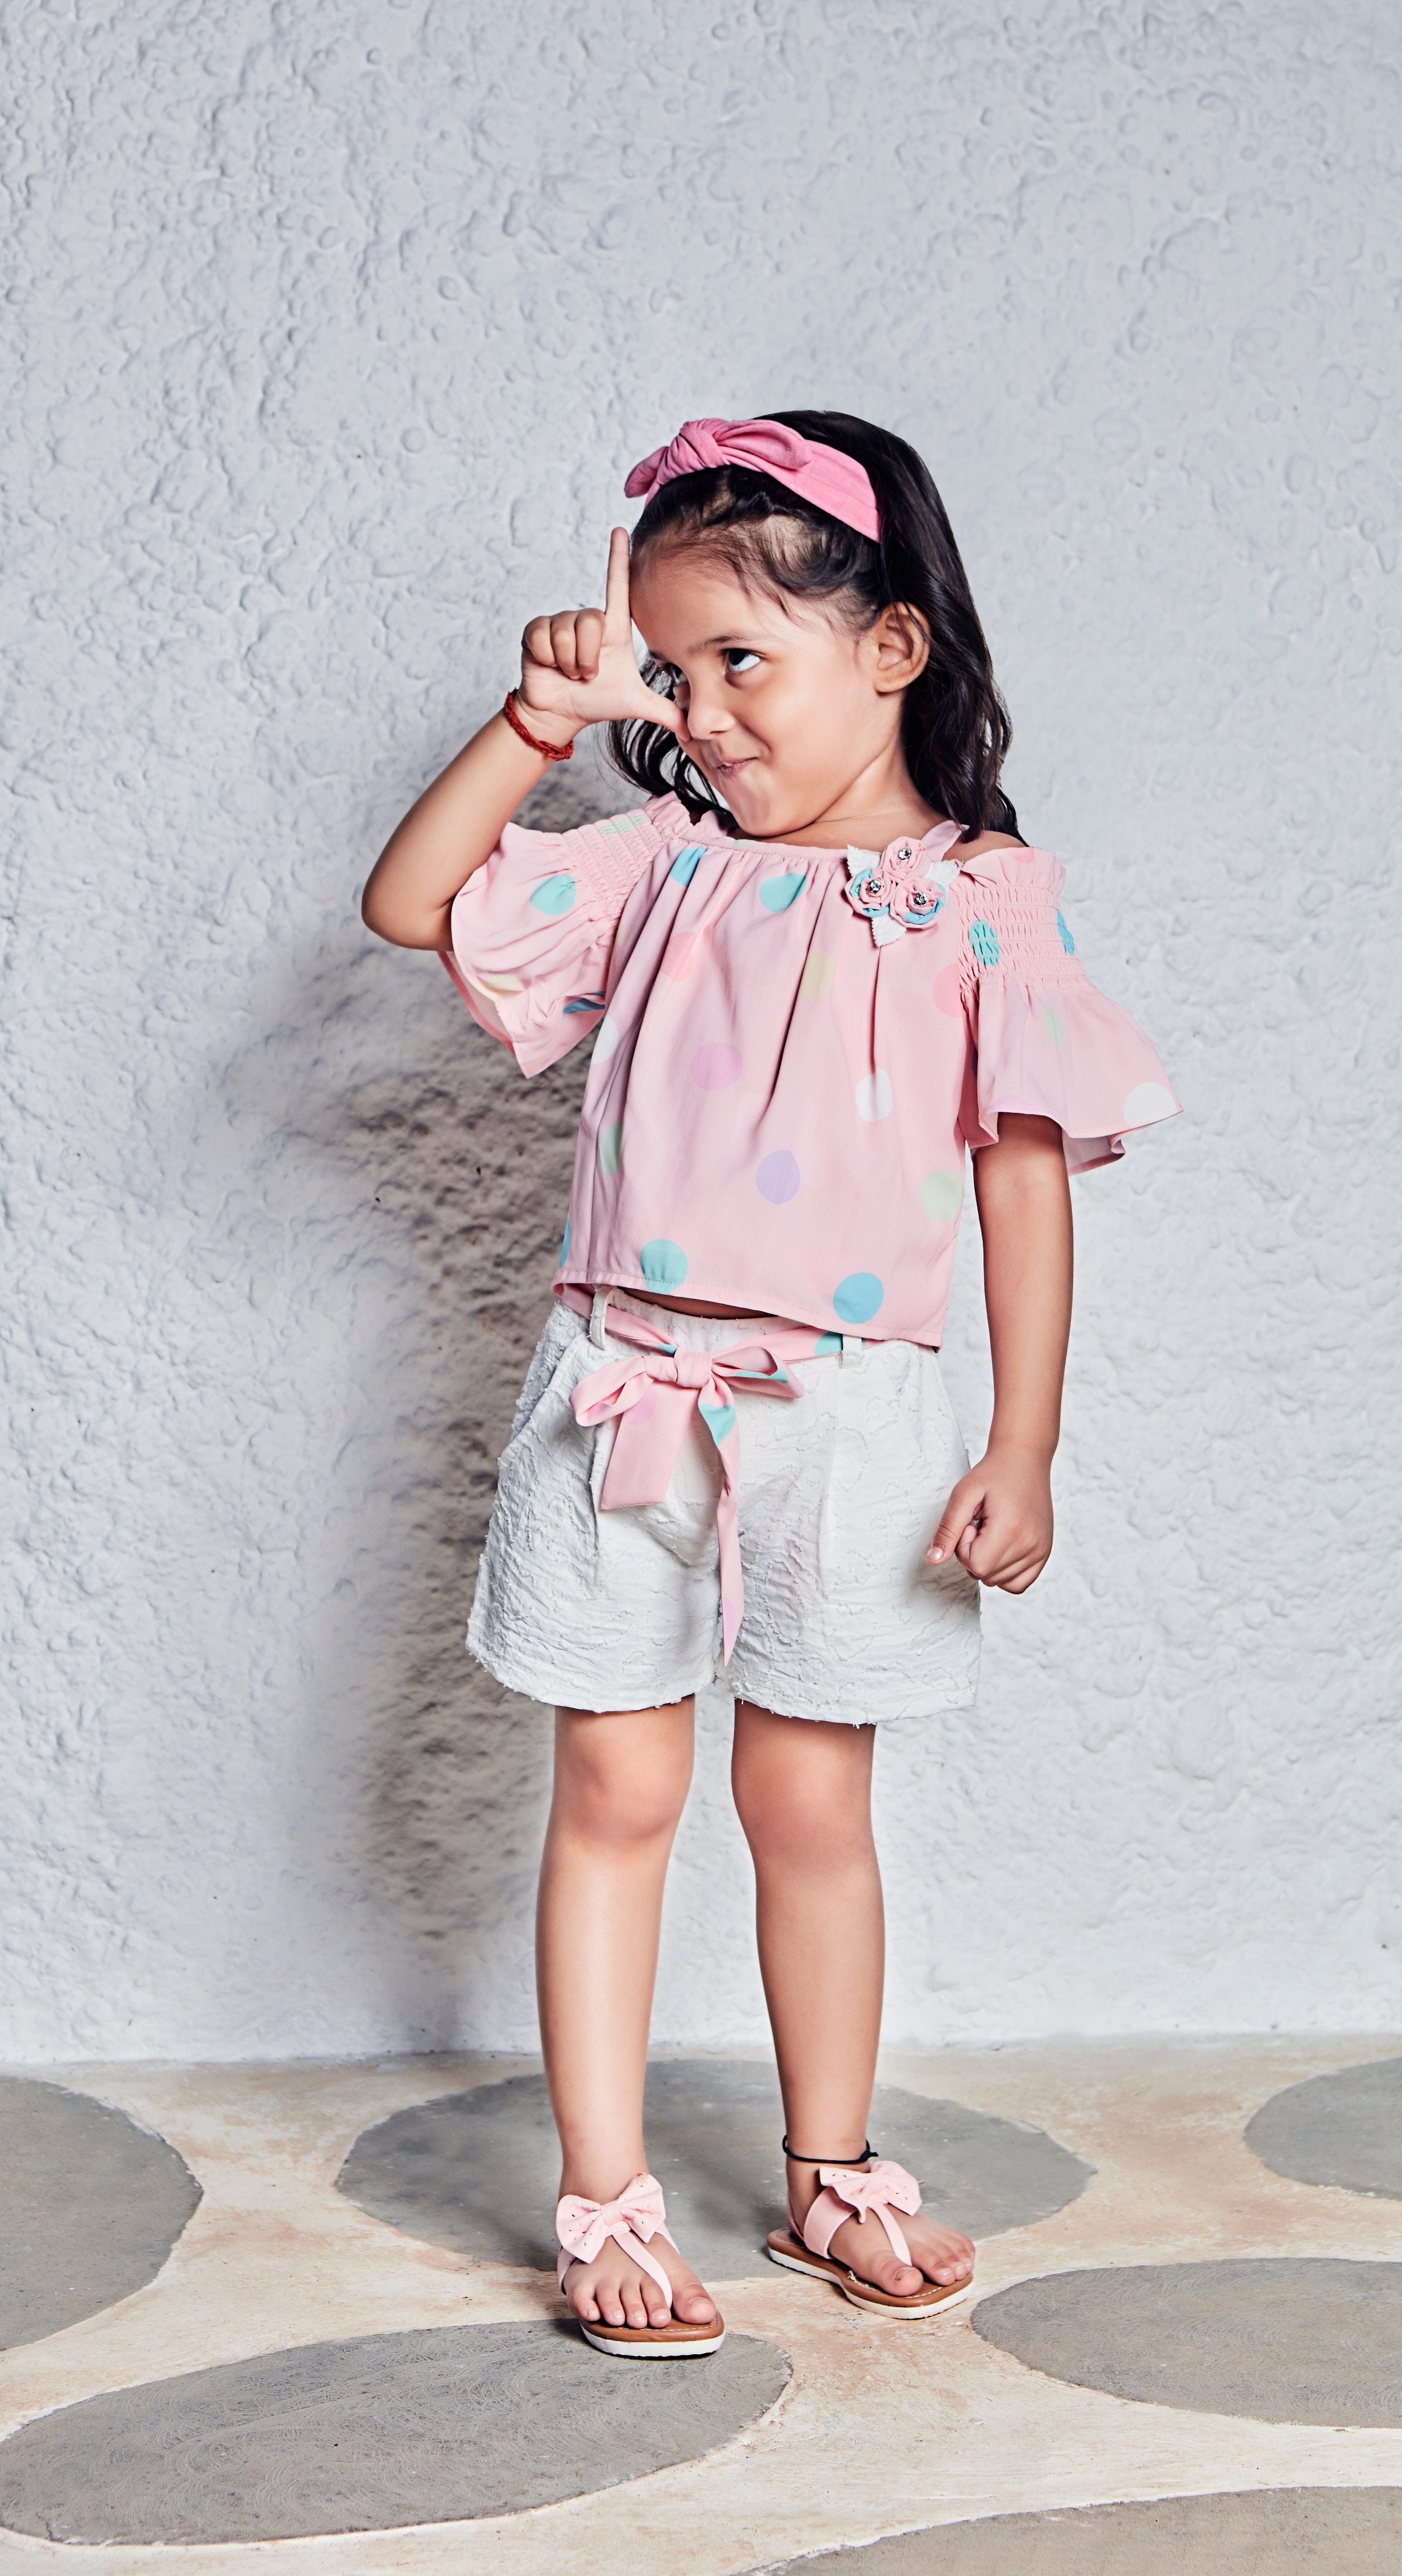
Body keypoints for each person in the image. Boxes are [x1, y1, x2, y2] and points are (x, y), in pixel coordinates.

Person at [362, 412, 1179, 2356]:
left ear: (889, 646)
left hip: (849, 1413)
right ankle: (606, 2197)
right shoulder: (660, 864)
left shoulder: (982, 897)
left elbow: (1023, 1179)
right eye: (674, 671)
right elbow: (411, 906)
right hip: (621, 1390)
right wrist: (536, 724)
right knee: (614, 1786)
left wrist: (1024, 1441)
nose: (702, 713)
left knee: (810, 1802)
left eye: (741, 659)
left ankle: (830, 2172)